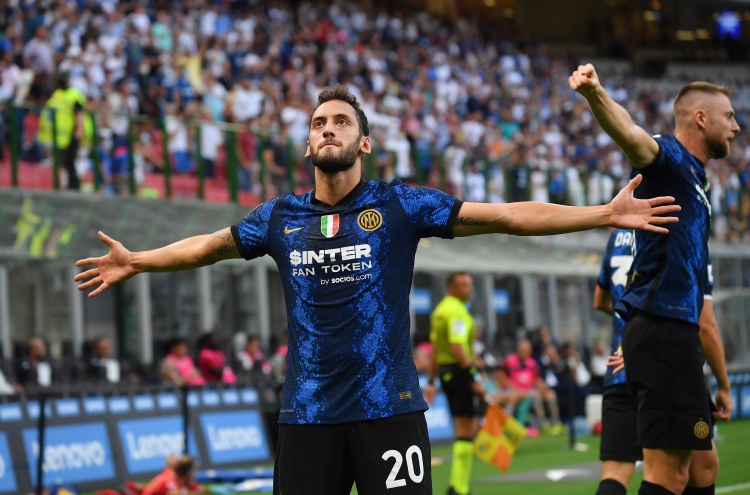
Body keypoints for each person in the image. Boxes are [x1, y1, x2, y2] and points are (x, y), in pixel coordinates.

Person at [75, 84, 678, 495]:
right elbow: (207, 246)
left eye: (340, 121)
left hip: (389, 411)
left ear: (364, 143)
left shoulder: (398, 205)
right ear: (308, 145)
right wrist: (138, 262)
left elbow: (504, 215)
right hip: (307, 417)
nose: (327, 129)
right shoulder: (280, 217)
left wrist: (602, 214)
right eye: (318, 123)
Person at [571, 64, 736, 495]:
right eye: (729, 116)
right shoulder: (670, 159)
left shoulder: (695, 180)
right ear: (701, 118)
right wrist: (595, 94)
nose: (736, 126)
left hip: (670, 334)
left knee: (703, 468)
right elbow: (631, 134)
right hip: (664, 331)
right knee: (668, 475)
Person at [594, 228, 733, 495]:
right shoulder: (685, 233)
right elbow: (707, 325)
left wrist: (629, 325)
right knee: (676, 474)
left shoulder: (617, 238)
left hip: (620, 369)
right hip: (664, 361)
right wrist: (723, 385)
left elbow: (600, 300)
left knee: (615, 474)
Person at [425, 272, 486, 495]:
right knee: (466, 429)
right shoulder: (457, 311)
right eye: (464, 285)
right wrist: (474, 377)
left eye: (470, 284)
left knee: (463, 427)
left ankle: (459, 486)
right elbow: (458, 347)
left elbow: (434, 349)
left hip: (446, 373)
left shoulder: (440, 310)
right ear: (452, 287)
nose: (469, 289)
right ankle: (459, 487)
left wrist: (431, 380)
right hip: (460, 373)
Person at [37, 73, 87, 190]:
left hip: (71, 134)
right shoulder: (56, 94)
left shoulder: (74, 94)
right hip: (57, 136)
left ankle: (73, 187)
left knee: (69, 161)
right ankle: (64, 187)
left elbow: (79, 112)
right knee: (62, 163)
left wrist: (79, 128)